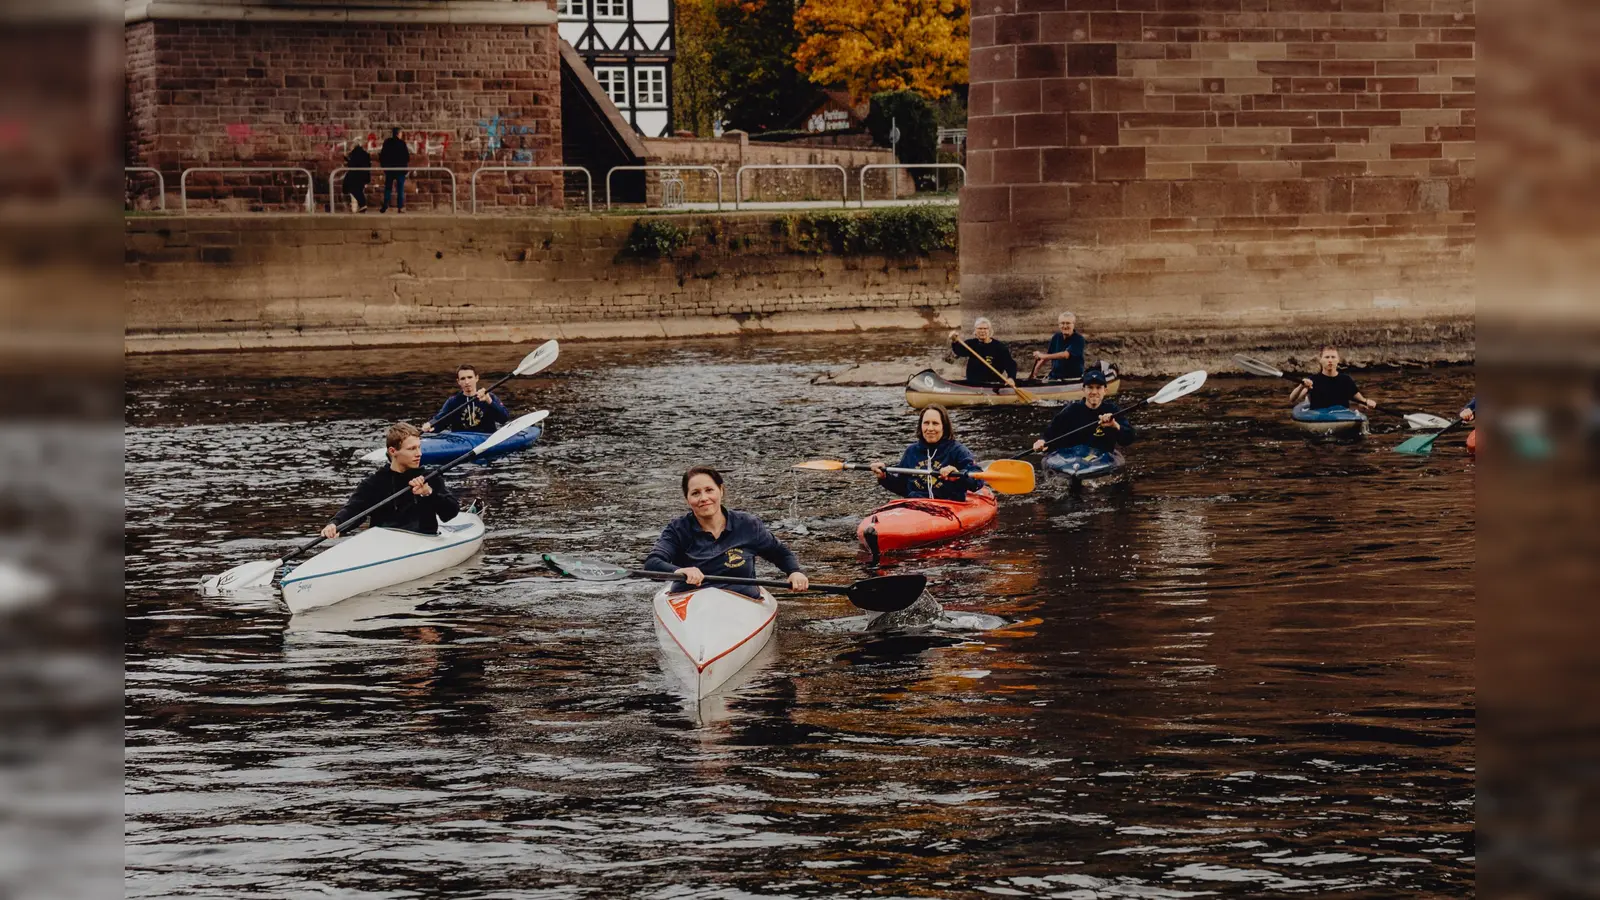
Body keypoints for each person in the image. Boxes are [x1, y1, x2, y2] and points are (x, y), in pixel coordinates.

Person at [644, 466, 808, 598]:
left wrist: (794, 572)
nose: (703, 498)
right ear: (687, 499)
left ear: (721, 490)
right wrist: (679, 571)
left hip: (742, 599)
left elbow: (780, 553)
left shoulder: (748, 525)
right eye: (695, 493)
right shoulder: (678, 529)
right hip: (692, 601)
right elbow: (652, 563)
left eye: (709, 490)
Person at [321, 423, 458, 539]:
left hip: (423, 540)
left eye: (419, 447)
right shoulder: (374, 483)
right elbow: (354, 510)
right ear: (393, 451)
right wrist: (335, 524)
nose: (419, 453)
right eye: (411, 449)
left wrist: (428, 493)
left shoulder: (429, 478)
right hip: (384, 543)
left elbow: (450, 513)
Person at [869, 405, 985, 502]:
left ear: (944, 426)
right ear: (921, 426)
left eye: (935, 423)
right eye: (926, 423)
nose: (930, 428)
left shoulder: (958, 450)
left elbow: (978, 480)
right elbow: (902, 486)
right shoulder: (911, 451)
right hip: (916, 506)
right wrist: (884, 477)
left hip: (949, 505)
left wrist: (958, 474)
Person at [1031, 369, 1136, 455]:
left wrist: (1115, 425)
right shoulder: (1070, 411)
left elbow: (1128, 439)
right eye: (1090, 388)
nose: (1094, 392)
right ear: (1083, 390)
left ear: (1105, 391)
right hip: (1073, 458)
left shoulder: (1112, 411)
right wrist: (1042, 442)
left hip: (1101, 457)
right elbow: (1049, 434)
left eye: (1098, 388)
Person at [422, 363, 511, 434]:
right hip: (462, 441)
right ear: (458, 382)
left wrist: (489, 401)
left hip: (485, 438)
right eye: (463, 378)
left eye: (470, 377)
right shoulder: (453, 401)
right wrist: (429, 425)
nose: (467, 382)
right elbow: (440, 421)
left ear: (476, 378)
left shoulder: (489, 396)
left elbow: (504, 419)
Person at [1288, 345, 1376, 410]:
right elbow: (1292, 399)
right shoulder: (1312, 380)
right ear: (1321, 360)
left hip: (1341, 416)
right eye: (1326, 357)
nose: (1330, 360)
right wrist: (1301, 386)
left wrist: (1367, 402)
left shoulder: (1346, 380)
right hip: (1319, 417)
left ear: (1338, 360)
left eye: (1333, 357)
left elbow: (1362, 400)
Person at [949, 318, 1018, 386]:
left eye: (985, 328)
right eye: (980, 328)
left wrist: (1011, 378)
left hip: (992, 386)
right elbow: (959, 351)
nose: (982, 331)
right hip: (973, 385)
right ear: (975, 331)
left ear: (990, 330)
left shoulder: (999, 347)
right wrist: (955, 341)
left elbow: (1011, 364)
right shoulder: (971, 344)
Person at [1032, 311, 1087, 381]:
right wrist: (1036, 369)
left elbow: (1065, 355)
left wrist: (1042, 355)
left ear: (1073, 324)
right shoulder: (1056, 337)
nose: (1065, 326)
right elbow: (1048, 355)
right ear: (1059, 325)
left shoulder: (1079, 339)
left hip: (1072, 378)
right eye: (1062, 323)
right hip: (1055, 376)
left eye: (1068, 323)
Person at [379, 127, 411, 213]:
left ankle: (385, 205)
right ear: (398, 133)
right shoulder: (402, 143)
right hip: (400, 170)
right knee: (400, 189)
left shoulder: (387, 143)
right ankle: (400, 207)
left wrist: (384, 167)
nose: (401, 135)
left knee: (388, 188)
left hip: (389, 170)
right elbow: (407, 157)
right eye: (401, 133)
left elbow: (382, 156)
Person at [342, 141, 371, 213]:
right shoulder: (365, 153)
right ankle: (362, 206)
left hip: (356, 176)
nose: (350, 149)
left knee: (354, 189)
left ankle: (363, 205)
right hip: (364, 175)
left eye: (351, 148)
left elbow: (352, 164)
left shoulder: (354, 154)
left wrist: (347, 159)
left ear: (353, 147)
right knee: (359, 190)